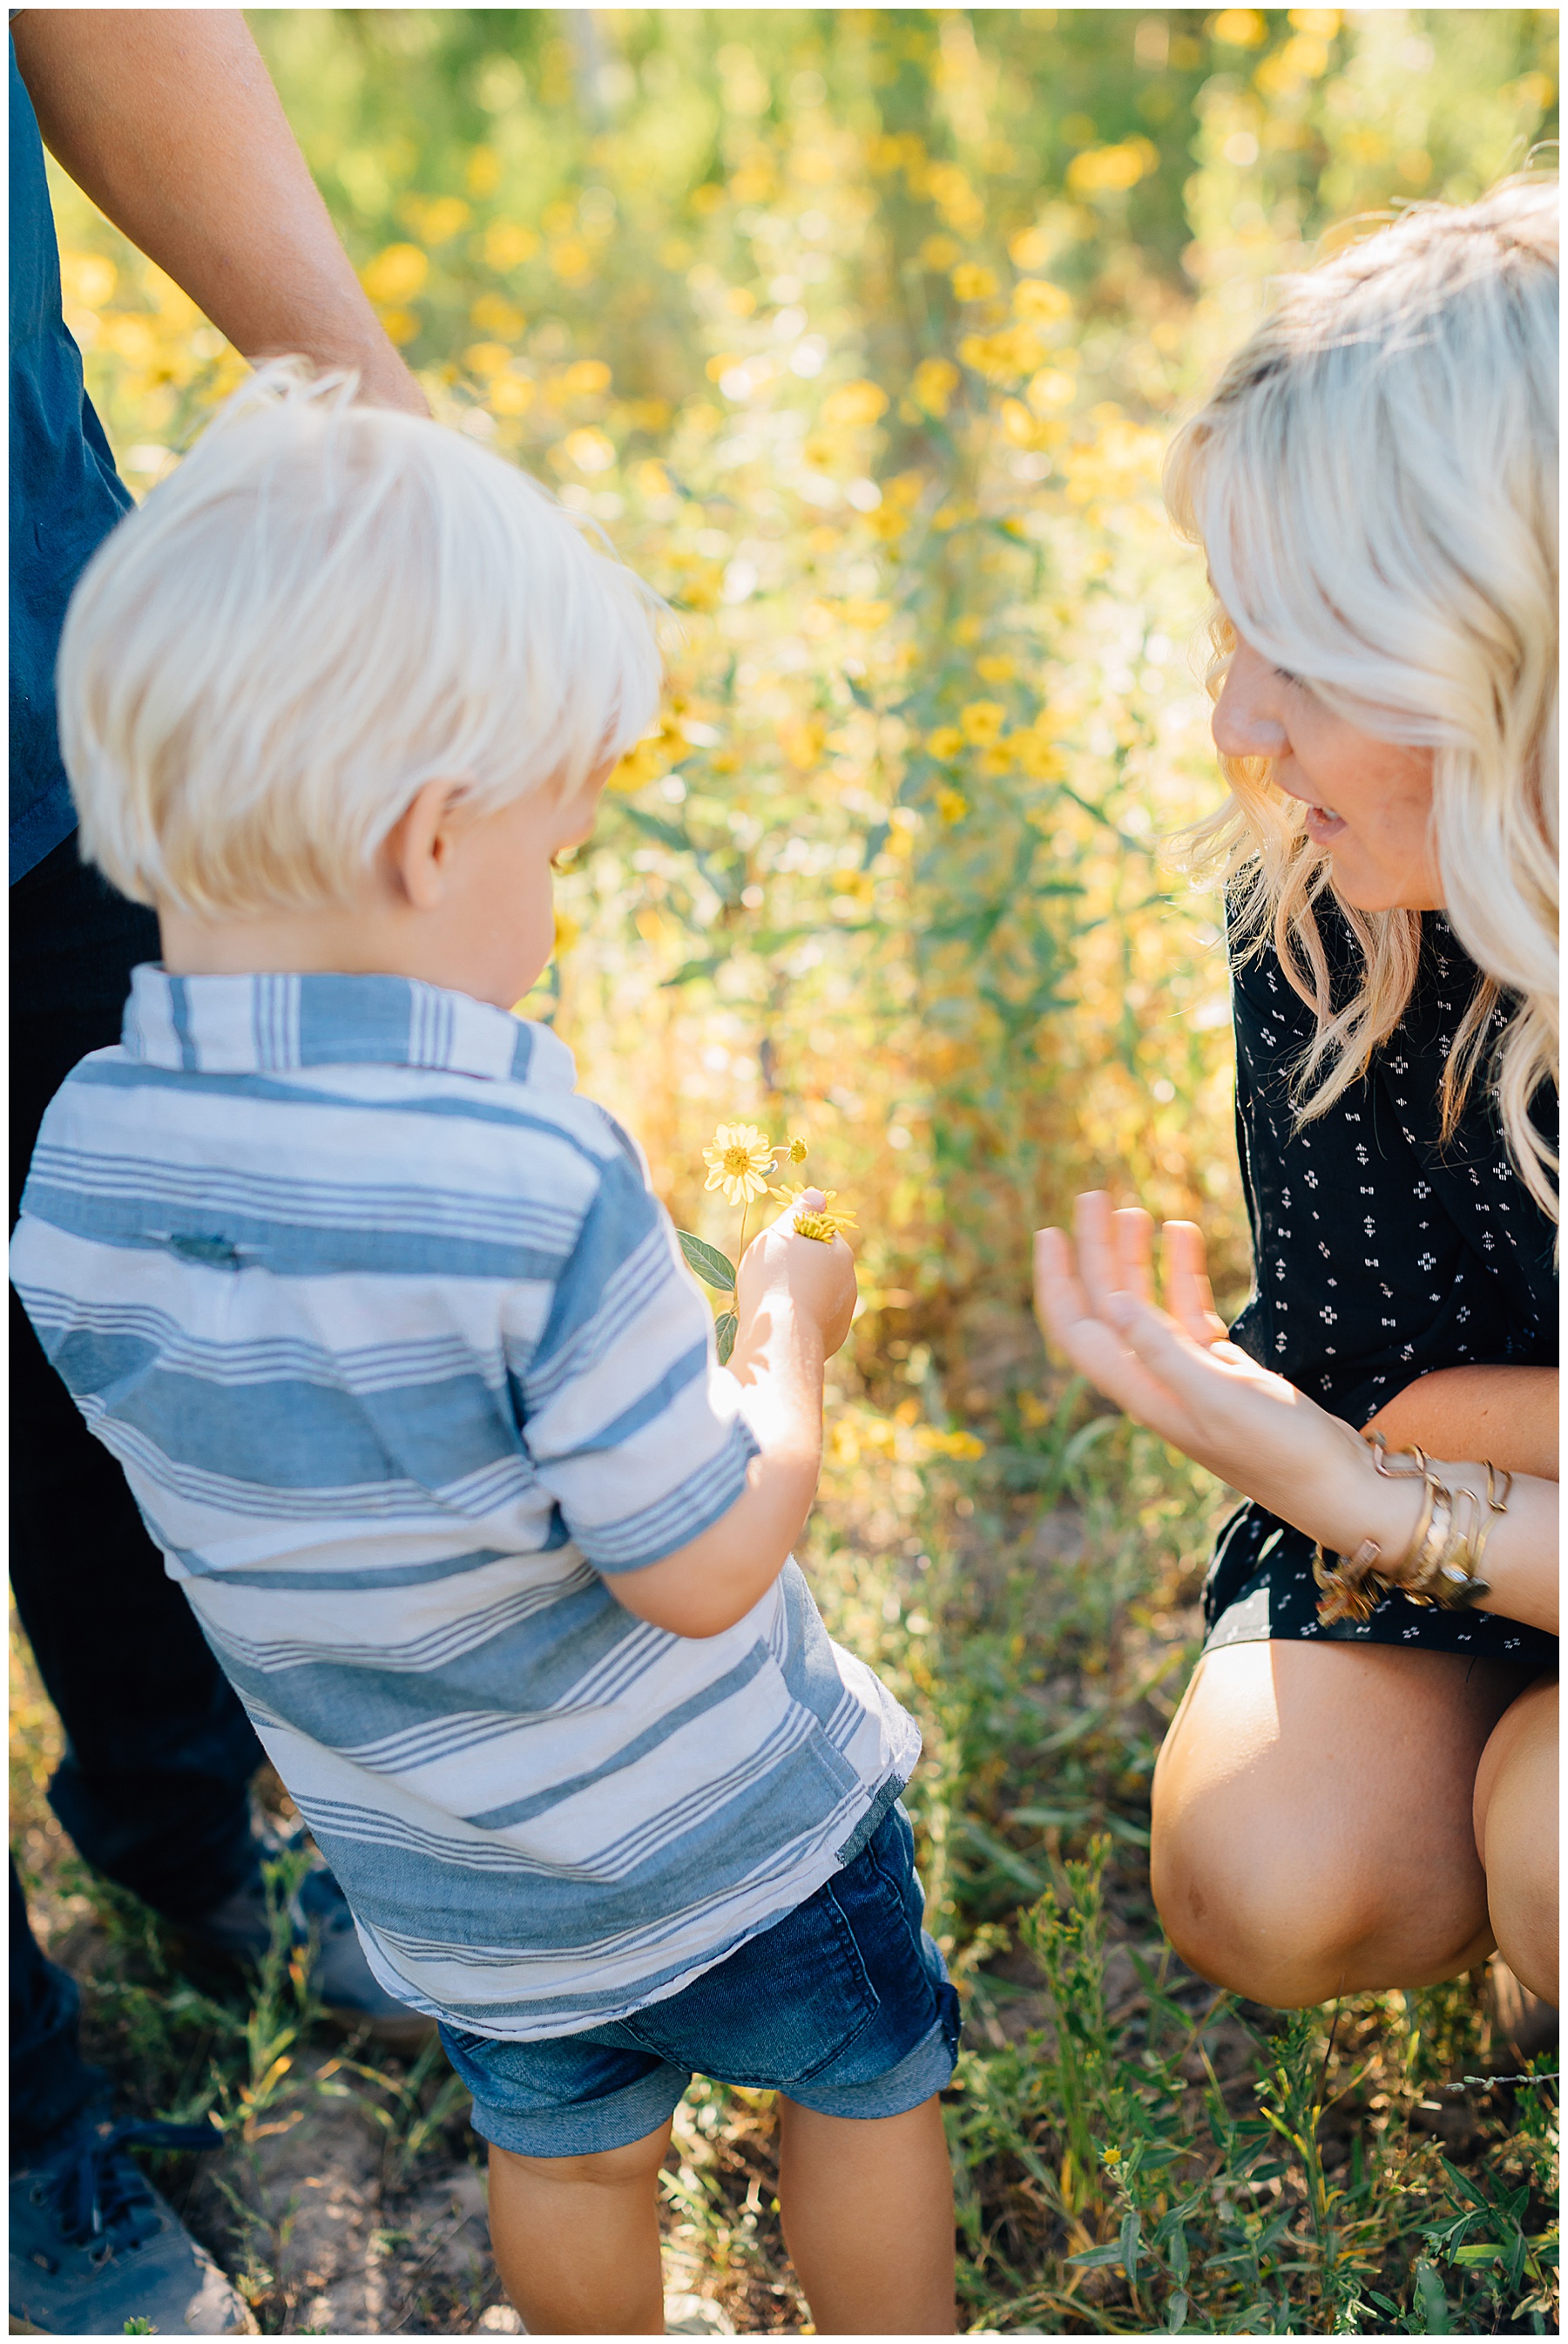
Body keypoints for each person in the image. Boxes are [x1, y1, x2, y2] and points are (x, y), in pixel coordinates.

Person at [11, 366, 963, 2338]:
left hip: (451, 1888)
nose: (550, 897)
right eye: (556, 852)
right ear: (436, 838)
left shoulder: (75, 1169)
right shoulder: (530, 1160)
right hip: (731, 1832)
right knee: (869, 2094)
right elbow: (694, 1564)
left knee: (568, 2160)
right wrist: (783, 1332)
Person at [10, 12, 430, 2331]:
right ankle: (17, 2142)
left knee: (111, 1299)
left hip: (17, 645)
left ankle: (189, 1821)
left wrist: (361, 390)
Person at [1037, 177, 1557, 2019]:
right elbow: (1371, 1370)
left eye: (1309, 657)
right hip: (1475, 1522)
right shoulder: (1329, 909)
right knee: (1271, 1864)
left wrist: (1391, 1466)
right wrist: (1382, 1458)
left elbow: (1389, 1422)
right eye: (1228, 631)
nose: (1234, 727)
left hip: (1461, 1509)